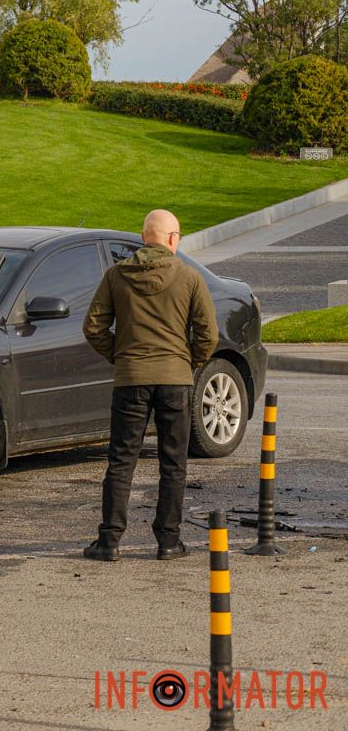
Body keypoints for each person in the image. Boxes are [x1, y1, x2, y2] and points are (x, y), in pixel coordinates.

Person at [81, 209, 218, 562]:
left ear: (144, 237)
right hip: (175, 380)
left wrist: (122, 356)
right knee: (173, 462)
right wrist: (189, 363)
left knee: (121, 460)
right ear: (173, 239)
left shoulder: (116, 275)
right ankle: (168, 541)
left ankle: (109, 541)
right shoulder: (189, 277)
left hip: (130, 379)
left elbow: (93, 327)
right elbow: (208, 334)